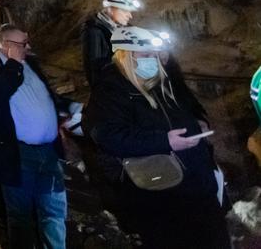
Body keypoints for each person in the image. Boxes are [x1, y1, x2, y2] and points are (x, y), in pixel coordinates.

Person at [85, 26, 229, 249]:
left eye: (154, 54)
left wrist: (195, 123)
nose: (153, 59)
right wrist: (164, 141)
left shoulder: (158, 82)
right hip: (161, 193)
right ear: (126, 56)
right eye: (146, 55)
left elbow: (181, 110)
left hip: (196, 186)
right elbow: (107, 135)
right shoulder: (111, 90)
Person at [0, 23, 72, 249]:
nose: (28, 47)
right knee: (20, 215)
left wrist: (64, 110)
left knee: (54, 211)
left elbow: (46, 94)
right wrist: (13, 64)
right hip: (18, 154)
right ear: (7, 45)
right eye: (23, 44)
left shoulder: (30, 63)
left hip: (48, 151)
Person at [80, 0, 139, 87]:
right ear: (111, 9)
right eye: (125, 11)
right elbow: (94, 68)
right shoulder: (94, 31)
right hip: (111, 87)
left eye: (130, 11)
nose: (130, 15)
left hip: (125, 82)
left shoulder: (123, 28)